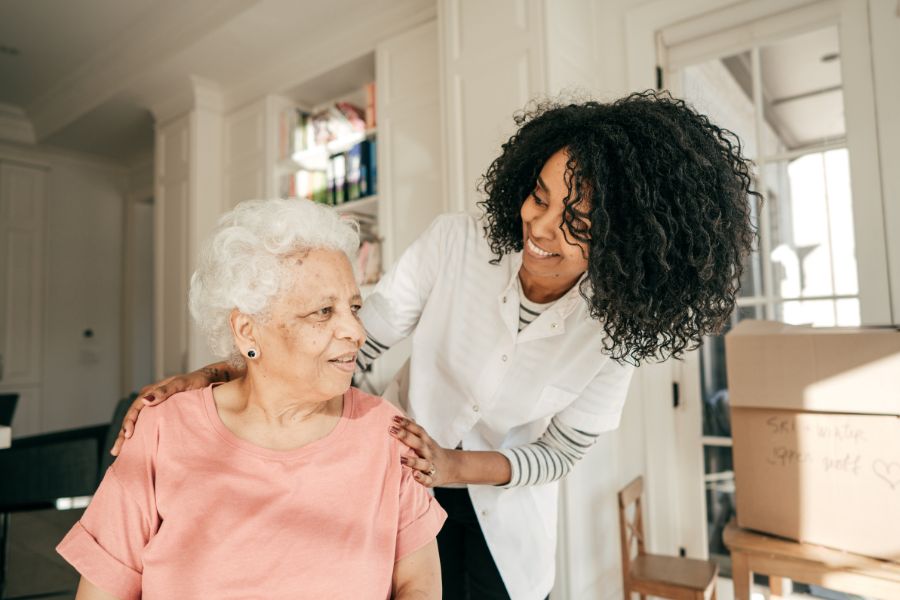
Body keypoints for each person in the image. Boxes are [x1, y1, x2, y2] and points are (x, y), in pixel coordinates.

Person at [113, 91, 757, 600]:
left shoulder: (618, 333)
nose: (538, 224)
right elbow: (354, 345)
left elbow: (560, 453)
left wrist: (453, 467)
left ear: (626, 243)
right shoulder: (458, 243)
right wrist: (224, 374)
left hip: (505, 520)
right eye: (538, 194)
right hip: (395, 480)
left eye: (576, 223)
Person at [59, 199, 446, 599]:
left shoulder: (386, 431)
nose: (357, 333)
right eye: (323, 311)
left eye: (354, 308)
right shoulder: (163, 429)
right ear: (247, 331)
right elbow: (102, 591)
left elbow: (418, 583)